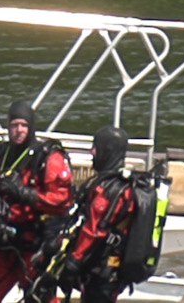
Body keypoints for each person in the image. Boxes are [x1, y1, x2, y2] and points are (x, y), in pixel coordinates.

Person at [0, 101, 72, 303]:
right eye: (14, 125)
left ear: (31, 127)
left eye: (23, 125)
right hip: (1, 243)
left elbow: (62, 201)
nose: (19, 130)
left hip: (34, 247)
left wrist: (25, 195)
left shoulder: (47, 158)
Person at [58, 125, 133, 303]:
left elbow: (94, 230)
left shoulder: (110, 189)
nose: (92, 152)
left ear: (107, 151)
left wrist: (73, 262)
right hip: (111, 266)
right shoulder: (124, 185)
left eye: (96, 147)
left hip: (103, 269)